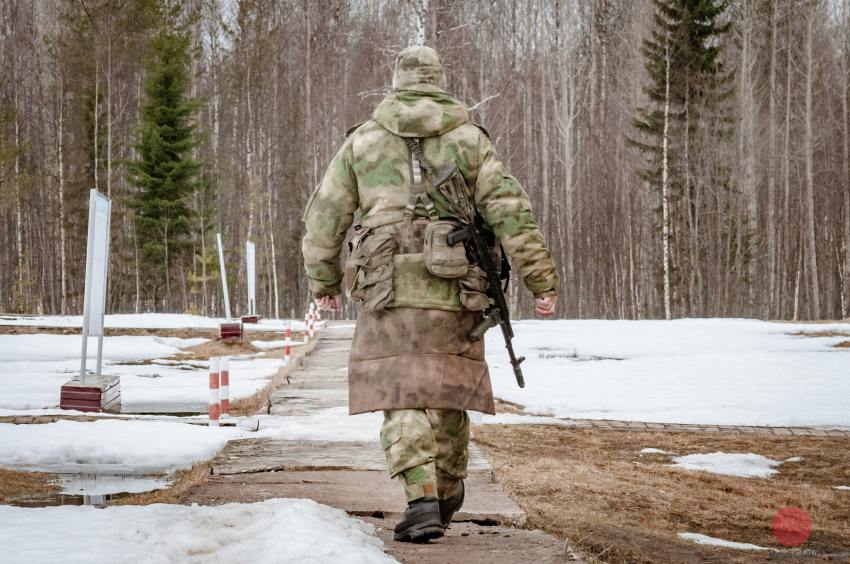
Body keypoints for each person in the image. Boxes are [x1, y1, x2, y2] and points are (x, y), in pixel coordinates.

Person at [302, 45, 558, 543]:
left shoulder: (364, 143)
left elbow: (325, 217)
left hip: (385, 291)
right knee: (447, 390)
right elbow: (510, 210)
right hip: (457, 288)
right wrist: (540, 280)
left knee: (399, 393)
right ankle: (446, 490)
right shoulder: (468, 140)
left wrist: (324, 283)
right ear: (439, 82)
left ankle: (420, 498)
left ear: (396, 83)